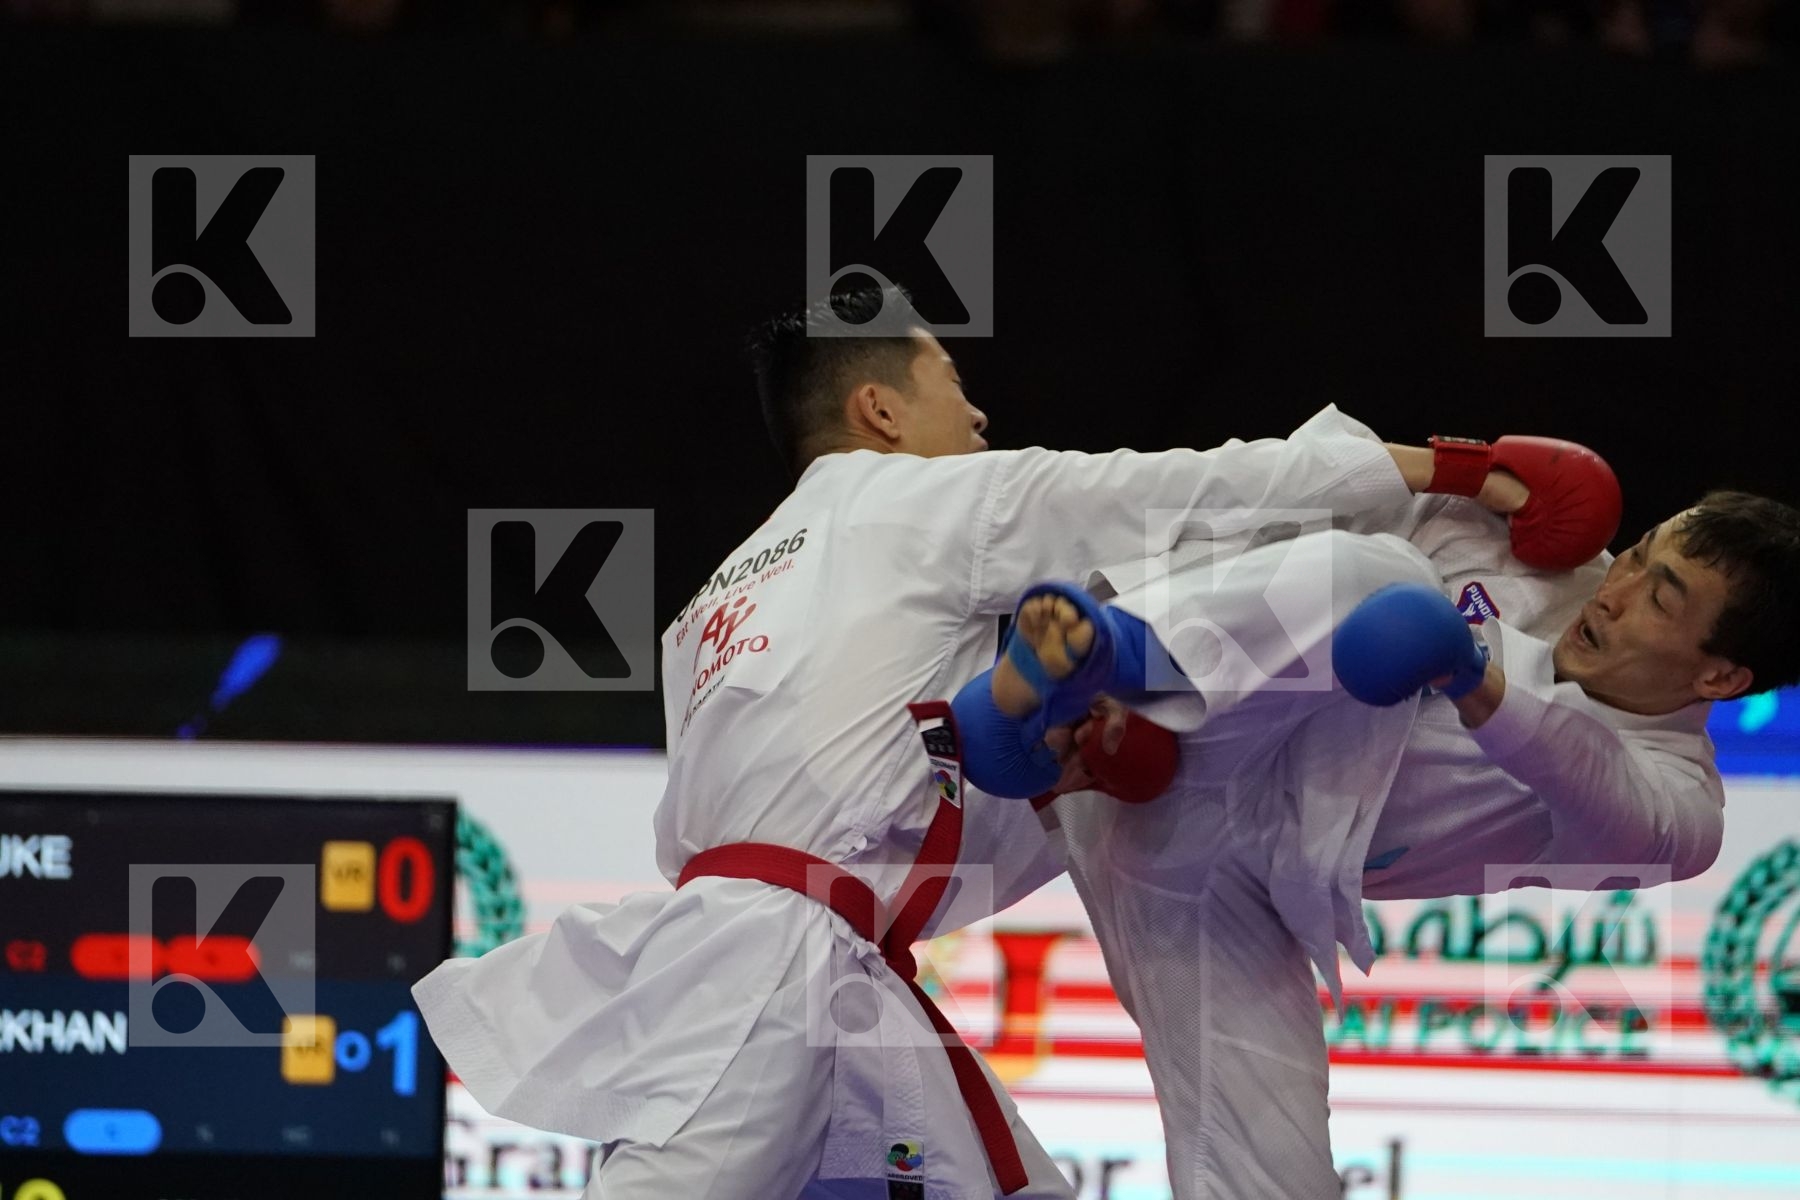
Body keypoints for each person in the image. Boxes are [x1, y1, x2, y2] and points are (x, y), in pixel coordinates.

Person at [412, 287, 1509, 1199]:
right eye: (957, 389)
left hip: (812, 967)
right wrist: (1447, 469)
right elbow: (1184, 489)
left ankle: (1092, 705)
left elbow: (856, 808)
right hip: (770, 976)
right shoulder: (912, 500)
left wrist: (1076, 769)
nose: (982, 419)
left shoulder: (702, 611)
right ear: (880, 410)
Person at [954, 472, 1800, 1198]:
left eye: (1659, 596)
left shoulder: (1681, 812)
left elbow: (1588, 778)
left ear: (1720, 676)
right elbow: (1315, 503)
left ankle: (1112, 700)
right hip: (1192, 729)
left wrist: (1474, 680)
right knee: (1379, 565)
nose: (1615, 589)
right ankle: (1113, 673)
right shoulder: (1537, 566)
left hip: (1227, 892)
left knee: (1277, 1180)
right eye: (1642, 552)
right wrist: (1469, 469)